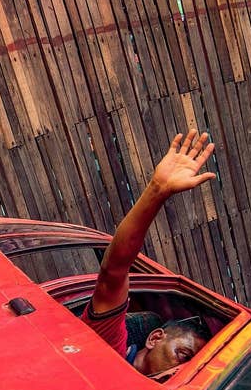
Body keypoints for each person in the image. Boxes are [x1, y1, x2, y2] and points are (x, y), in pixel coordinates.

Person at [83, 132, 216, 375]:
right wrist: (157, 191)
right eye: (183, 356)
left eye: (193, 371)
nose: (183, 373)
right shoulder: (110, 352)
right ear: (154, 338)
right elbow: (114, 271)